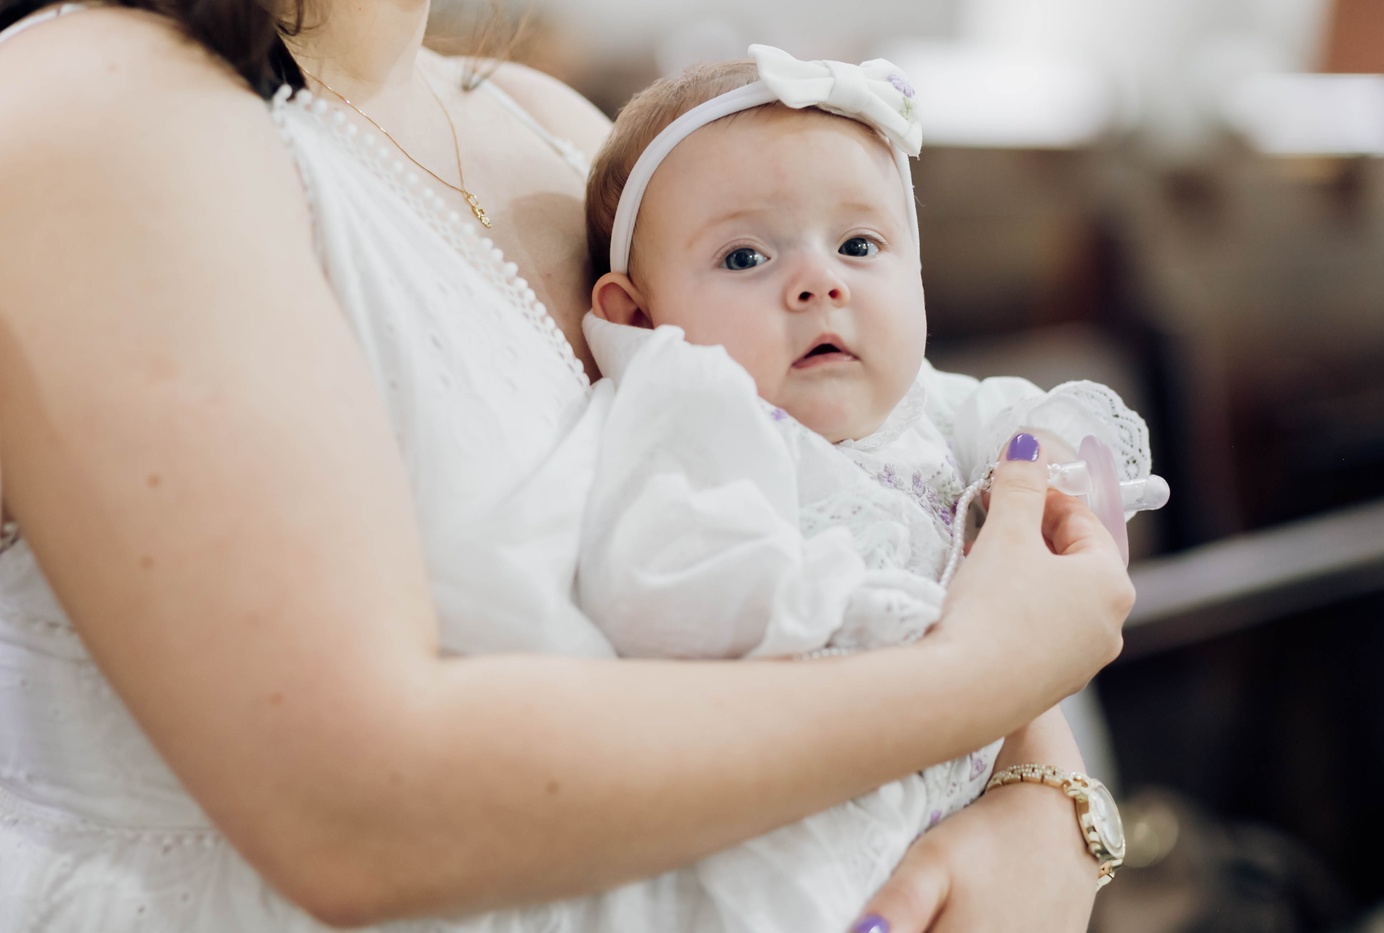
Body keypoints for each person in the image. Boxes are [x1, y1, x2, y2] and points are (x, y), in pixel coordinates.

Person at [0, 0, 1135, 930]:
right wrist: (977, 681)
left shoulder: (541, 122)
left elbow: (881, 475)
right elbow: (353, 811)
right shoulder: (103, 105)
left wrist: (1045, 805)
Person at [569, 46, 1153, 930]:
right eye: (744, 256)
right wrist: (909, 632)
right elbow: (662, 590)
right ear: (639, 320)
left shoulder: (933, 406)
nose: (821, 280)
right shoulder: (695, 436)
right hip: (798, 832)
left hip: (980, 810)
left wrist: (1052, 475)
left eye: (858, 245)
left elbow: (1043, 427)